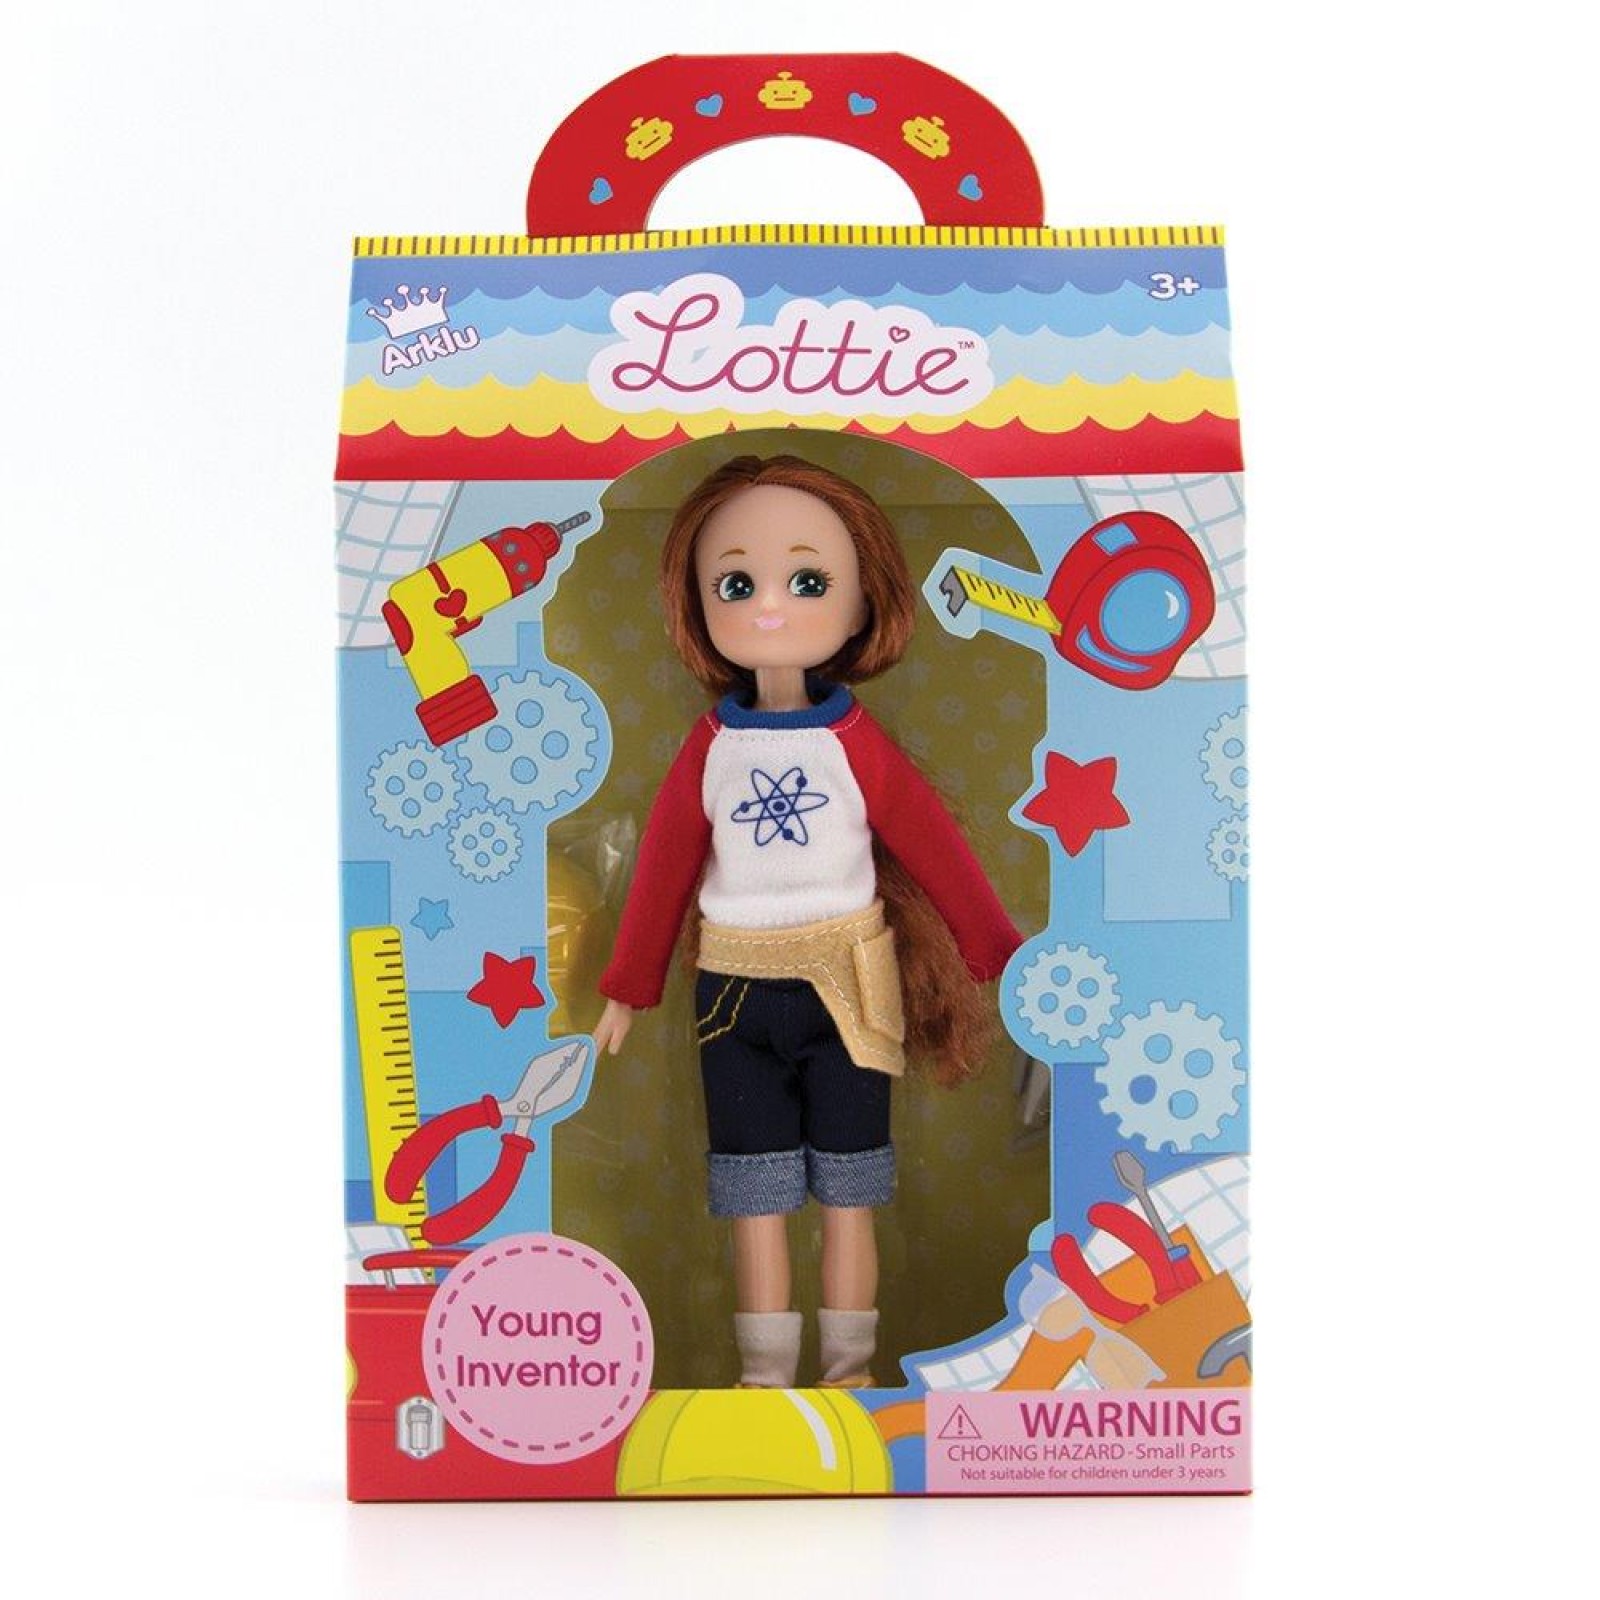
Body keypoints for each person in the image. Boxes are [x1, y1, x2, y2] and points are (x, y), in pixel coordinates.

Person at [592, 454, 1022, 1388]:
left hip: (850, 986)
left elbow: (935, 846)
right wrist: (628, 988)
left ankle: (850, 1371)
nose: (770, 609)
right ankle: (765, 1380)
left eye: (810, 582)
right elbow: (663, 866)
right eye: (736, 585)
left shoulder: (852, 743)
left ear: (864, 601)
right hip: (733, 992)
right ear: (697, 602)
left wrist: (999, 955)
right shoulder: (712, 746)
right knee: (753, 1197)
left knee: (850, 1194)